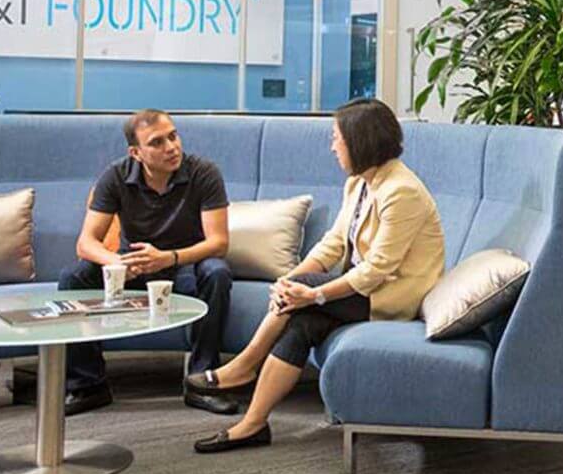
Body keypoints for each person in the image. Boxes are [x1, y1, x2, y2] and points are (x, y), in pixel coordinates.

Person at [187, 98, 445, 453]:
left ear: (360, 141)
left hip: (392, 295)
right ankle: (253, 424)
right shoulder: (360, 182)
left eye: (336, 138)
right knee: (301, 324)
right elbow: (333, 244)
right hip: (362, 288)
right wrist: (290, 279)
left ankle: (245, 363)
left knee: (306, 294)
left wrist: (314, 293)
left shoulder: (402, 191)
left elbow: (378, 269)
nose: (332, 146)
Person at [59, 109, 236, 416]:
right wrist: (119, 263)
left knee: (217, 272)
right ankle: (87, 385)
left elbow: (218, 242)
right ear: (136, 152)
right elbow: (86, 243)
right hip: (135, 266)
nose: (171, 147)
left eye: (173, 135)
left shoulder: (204, 172)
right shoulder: (115, 176)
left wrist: (169, 257)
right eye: (157, 142)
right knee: (74, 278)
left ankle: (201, 382)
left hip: (183, 265)